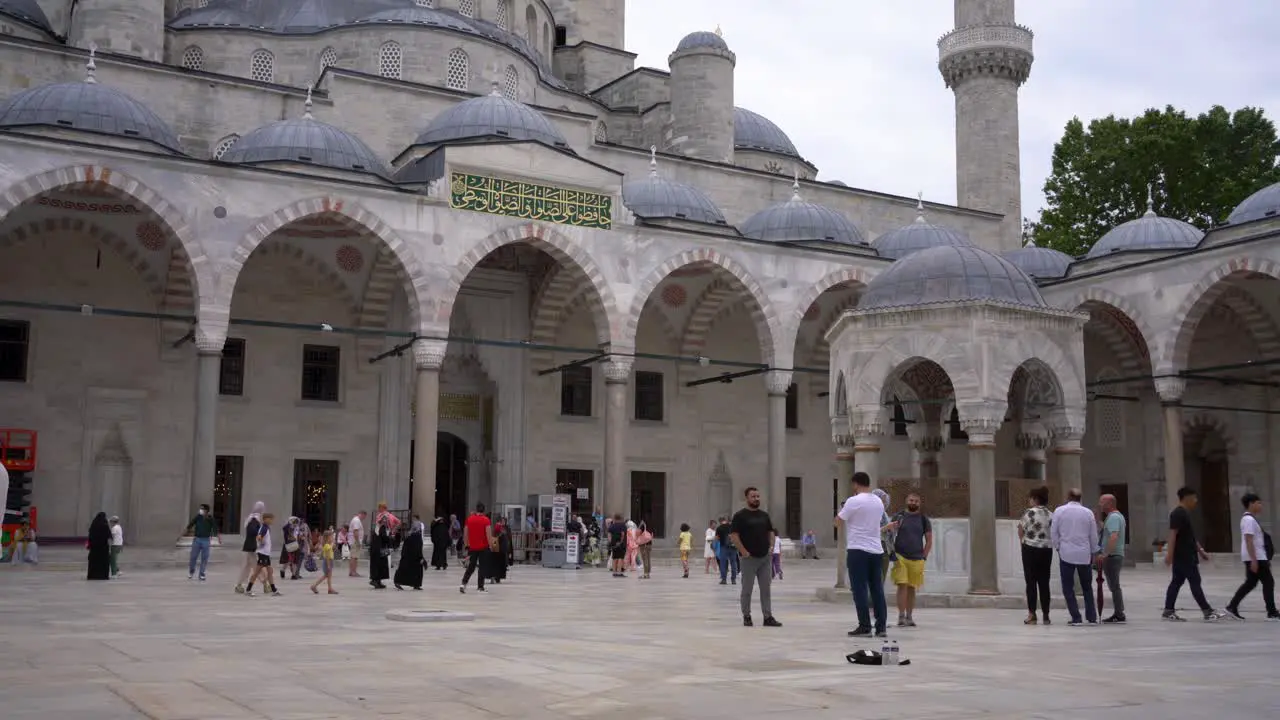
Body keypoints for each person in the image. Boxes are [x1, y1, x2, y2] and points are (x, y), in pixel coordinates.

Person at [837, 472, 887, 638]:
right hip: (876, 549)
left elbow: (838, 521)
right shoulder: (878, 501)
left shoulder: (853, 501)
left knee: (859, 589)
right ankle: (881, 627)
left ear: (855, 484)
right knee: (877, 589)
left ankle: (864, 625)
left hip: (858, 549)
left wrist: (842, 510)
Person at [1163, 487, 1225, 622]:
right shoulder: (1178, 513)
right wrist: (1169, 554)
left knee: (1176, 582)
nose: (1196, 501)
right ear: (1187, 498)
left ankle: (1168, 611)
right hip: (1184, 555)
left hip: (1187, 554)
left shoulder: (1184, 513)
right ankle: (1207, 611)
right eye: (1194, 498)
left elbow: (1190, 536)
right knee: (1194, 582)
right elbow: (1173, 534)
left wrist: (1201, 551)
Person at [731, 487, 782, 628]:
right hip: (748, 559)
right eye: (753, 496)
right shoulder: (740, 516)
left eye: (758, 496)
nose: (756, 499)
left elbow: (770, 532)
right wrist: (743, 551)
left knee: (766, 589)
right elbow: (734, 535)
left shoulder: (764, 516)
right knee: (747, 589)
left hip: (764, 557)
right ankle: (746, 616)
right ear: (747, 498)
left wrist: (771, 547)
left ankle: (768, 617)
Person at [1050, 488, 1099, 626]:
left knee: (1068, 587)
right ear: (1080, 498)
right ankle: (1091, 617)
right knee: (1087, 586)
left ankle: (1076, 617)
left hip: (1066, 553)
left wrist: (1058, 547)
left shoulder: (1059, 511)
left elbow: (1054, 532)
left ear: (1068, 496)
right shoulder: (1088, 512)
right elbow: (1093, 535)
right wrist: (1094, 551)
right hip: (1084, 553)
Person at [1225, 493, 1278, 621]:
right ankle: (1272, 612)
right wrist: (1254, 560)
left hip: (1256, 556)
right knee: (1268, 582)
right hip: (1256, 557)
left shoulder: (1249, 519)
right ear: (1251, 504)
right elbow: (1249, 540)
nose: (1260, 506)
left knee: (1250, 583)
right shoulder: (1248, 520)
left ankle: (1232, 606)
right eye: (1258, 503)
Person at [890, 492, 932, 627]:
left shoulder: (923, 519)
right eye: (911, 500)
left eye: (916, 501)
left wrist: (924, 556)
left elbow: (929, 539)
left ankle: (909, 616)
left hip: (917, 558)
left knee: (911, 587)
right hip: (900, 556)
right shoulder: (899, 516)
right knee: (902, 585)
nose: (913, 503)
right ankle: (901, 616)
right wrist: (892, 553)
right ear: (906, 501)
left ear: (919, 503)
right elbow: (890, 535)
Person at [1018, 486, 1053, 624]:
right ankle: (1046, 615)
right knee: (1044, 582)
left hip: (1030, 549)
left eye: (1031, 498)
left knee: (1031, 582)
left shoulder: (1029, 513)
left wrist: (1023, 544)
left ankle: (1032, 614)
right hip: (1046, 549)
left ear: (1036, 499)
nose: (1029, 501)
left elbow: (1021, 529)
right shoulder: (1051, 514)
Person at [1095, 494, 1127, 624]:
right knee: (1114, 585)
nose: (1100, 505)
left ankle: (1119, 613)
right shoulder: (1115, 517)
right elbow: (1107, 531)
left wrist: (1106, 553)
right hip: (1114, 555)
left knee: (1114, 586)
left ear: (1110, 503)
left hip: (1113, 556)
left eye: (1102, 502)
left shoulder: (1113, 517)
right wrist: (1097, 520)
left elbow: (1113, 536)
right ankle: (1119, 612)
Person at [460, 502, 494, 593]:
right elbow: (488, 534)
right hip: (483, 547)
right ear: (484, 510)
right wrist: (491, 546)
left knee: (471, 567)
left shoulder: (469, 519)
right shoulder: (486, 520)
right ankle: (480, 587)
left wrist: (467, 545)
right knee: (482, 567)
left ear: (476, 509)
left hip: (472, 547)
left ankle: (463, 583)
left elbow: (465, 533)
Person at [247, 512, 281, 597]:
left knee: (269, 571)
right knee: (257, 572)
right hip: (263, 553)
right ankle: (248, 589)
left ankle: (274, 590)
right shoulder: (264, 528)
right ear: (266, 519)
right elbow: (259, 537)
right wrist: (262, 543)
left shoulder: (266, 527)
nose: (272, 521)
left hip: (265, 553)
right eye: (271, 519)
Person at [235, 501, 265, 594]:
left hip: (249, 546)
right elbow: (253, 531)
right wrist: (260, 533)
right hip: (252, 547)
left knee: (247, 567)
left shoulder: (252, 519)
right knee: (256, 566)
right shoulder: (254, 520)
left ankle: (239, 585)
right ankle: (266, 584)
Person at [185, 503, 218, 582]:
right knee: (193, 557)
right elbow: (191, 524)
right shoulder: (198, 517)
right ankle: (191, 571)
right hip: (197, 539)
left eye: (202, 509)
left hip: (206, 540)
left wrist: (216, 535)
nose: (200, 510)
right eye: (200, 509)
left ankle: (202, 574)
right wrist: (185, 531)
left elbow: (215, 528)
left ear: (206, 510)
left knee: (204, 558)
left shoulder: (210, 518)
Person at [394, 516, 426, 591]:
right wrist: (421, 558)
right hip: (415, 557)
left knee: (404, 570)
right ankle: (416, 584)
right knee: (417, 571)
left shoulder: (409, 535)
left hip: (406, 557)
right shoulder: (417, 536)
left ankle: (398, 581)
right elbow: (418, 548)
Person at [310, 528, 338, 595]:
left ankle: (330, 589)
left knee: (328, 576)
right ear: (328, 538)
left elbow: (332, 549)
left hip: (329, 561)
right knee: (326, 576)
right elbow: (328, 557)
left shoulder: (327, 545)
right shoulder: (327, 546)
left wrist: (333, 545)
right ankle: (314, 586)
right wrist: (328, 565)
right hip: (328, 562)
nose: (332, 538)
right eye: (331, 537)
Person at [368, 514, 392, 590]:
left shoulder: (377, 527)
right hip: (380, 549)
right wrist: (390, 538)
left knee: (378, 565)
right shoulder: (382, 527)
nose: (386, 521)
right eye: (385, 519)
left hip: (375, 549)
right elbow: (384, 537)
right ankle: (376, 580)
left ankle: (377, 581)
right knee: (380, 565)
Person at [87, 512, 111, 580]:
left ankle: (92, 575)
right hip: (103, 548)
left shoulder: (93, 525)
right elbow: (109, 536)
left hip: (94, 548)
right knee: (103, 562)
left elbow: (90, 537)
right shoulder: (105, 525)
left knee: (94, 562)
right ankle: (102, 575)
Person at [715, 516, 739, 584]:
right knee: (733, 563)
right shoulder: (736, 528)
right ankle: (733, 580)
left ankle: (724, 579)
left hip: (723, 547)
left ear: (727, 520)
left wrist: (714, 546)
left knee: (723, 563)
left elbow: (717, 538)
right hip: (733, 548)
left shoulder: (720, 527)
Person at [607, 513, 628, 577]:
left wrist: (611, 543)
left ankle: (614, 572)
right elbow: (622, 534)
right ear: (620, 518)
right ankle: (619, 572)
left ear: (615, 518)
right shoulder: (623, 525)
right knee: (620, 558)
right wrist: (620, 542)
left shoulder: (612, 526)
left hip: (613, 544)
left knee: (614, 558)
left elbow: (609, 535)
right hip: (621, 544)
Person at [348, 510, 366, 577]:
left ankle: (352, 571)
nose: (363, 518)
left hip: (354, 541)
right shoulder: (357, 520)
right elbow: (355, 531)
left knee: (354, 557)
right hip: (355, 541)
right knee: (354, 557)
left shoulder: (356, 520)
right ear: (362, 514)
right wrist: (357, 541)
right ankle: (353, 572)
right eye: (364, 517)